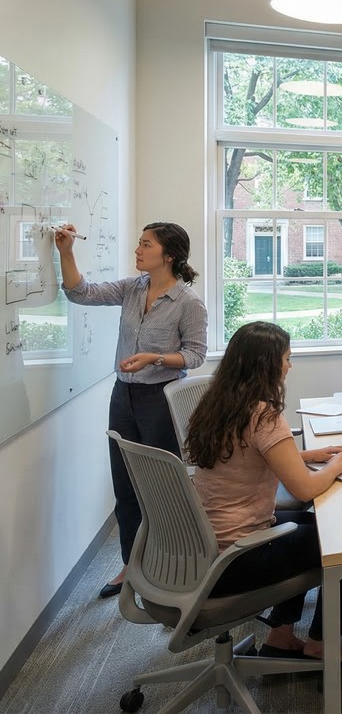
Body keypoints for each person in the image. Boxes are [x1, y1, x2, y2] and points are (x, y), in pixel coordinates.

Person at [187, 322, 342, 664]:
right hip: (236, 557)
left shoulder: (219, 403)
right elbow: (304, 488)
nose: (290, 365)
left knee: (314, 523)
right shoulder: (264, 414)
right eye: (286, 358)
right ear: (266, 365)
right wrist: (338, 465)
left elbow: (245, 459)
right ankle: (321, 645)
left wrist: (306, 456)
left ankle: (281, 635)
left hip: (207, 542)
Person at [55, 221, 207, 599]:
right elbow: (80, 293)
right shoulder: (132, 288)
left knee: (163, 486)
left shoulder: (188, 303)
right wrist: (66, 251)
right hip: (123, 397)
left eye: (145, 245)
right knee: (125, 485)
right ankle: (131, 565)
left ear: (168, 255)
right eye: (139, 244)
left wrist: (155, 357)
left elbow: (196, 355)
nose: (137, 251)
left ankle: (174, 562)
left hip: (160, 399)